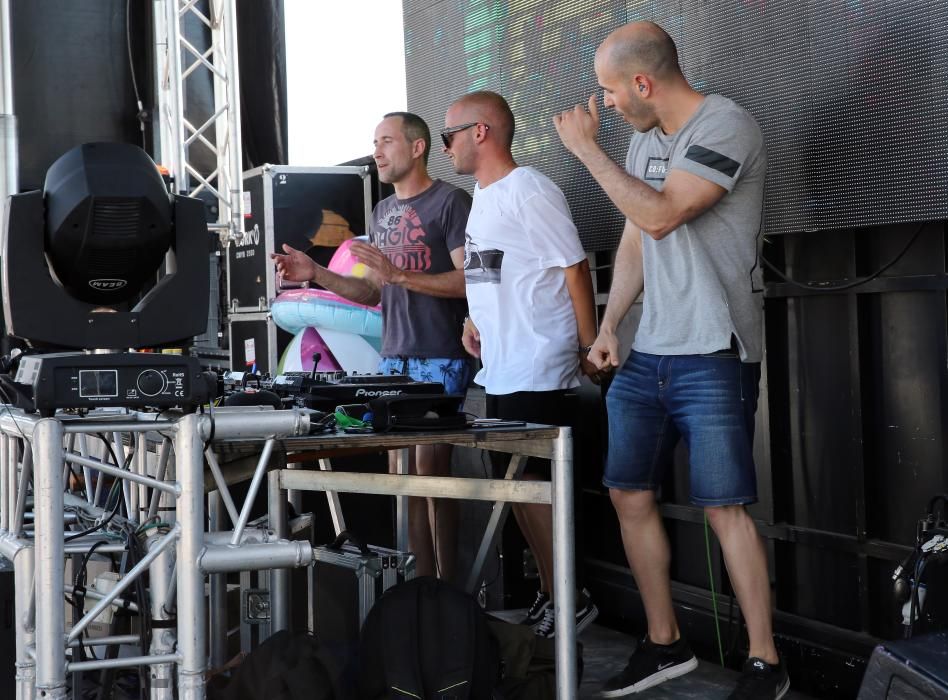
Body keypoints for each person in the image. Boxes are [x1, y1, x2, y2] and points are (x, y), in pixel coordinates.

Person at [553, 21, 789, 699]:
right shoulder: (645, 136)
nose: (606, 103)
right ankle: (664, 646)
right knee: (629, 492)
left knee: (725, 509)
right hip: (648, 352)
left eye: (610, 90)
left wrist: (587, 153)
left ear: (643, 83)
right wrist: (608, 326)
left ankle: (767, 662)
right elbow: (636, 238)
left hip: (713, 349)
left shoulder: (728, 127)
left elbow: (662, 216)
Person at [272, 112, 471, 579]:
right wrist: (316, 274)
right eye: (374, 142)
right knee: (403, 477)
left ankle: (450, 589)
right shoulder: (382, 214)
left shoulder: (450, 201)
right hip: (395, 354)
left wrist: (402, 275)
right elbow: (375, 294)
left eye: (386, 141)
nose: (377, 151)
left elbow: (468, 281)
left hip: (440, 351)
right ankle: (419, 586)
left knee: (431, 472)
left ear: (417, 147)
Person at [442, 90, 601, 637]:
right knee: (518, 487)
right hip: (503, 367)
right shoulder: (484, 198)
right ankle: (555, 591)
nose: (447, 149)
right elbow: (491, 275)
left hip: (539, 363)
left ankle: (570, 596)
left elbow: (575, 268)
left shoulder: (529, 189)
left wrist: (588, 345)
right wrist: (472, 319)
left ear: (480, 132)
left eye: (449, 136)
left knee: (534, 484)